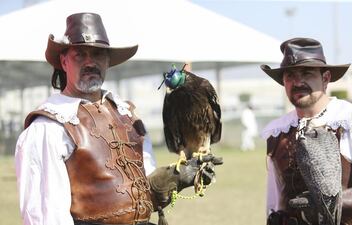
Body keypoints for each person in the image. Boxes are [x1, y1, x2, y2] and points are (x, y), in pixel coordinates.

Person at [15, 12, 220, 225]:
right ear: (64, 61)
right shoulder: (49, 127)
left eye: (98, 54)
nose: (90, 62)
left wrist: (176, 177)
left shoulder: (127, 116)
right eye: (80, 55)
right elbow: (46, 216)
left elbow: (144, 191)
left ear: (108, 62)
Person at [260, 37, 352, 225]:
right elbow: (275, 203)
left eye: (306, 73)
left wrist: (333, 204)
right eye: (290, 76)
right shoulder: (278, 132)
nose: (297, 82)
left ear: (325, 78)